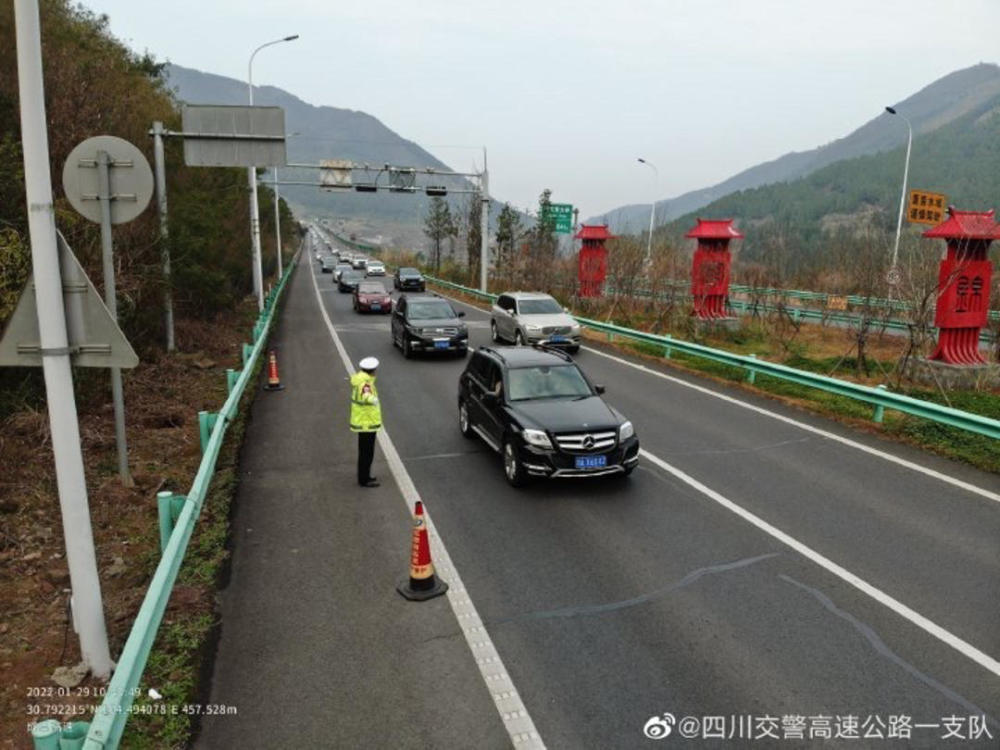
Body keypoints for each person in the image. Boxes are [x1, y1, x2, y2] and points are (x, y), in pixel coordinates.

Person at [350, 356, 382, 487]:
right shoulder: (365, 383)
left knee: (365, 451)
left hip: (364, 421)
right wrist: (372, 399)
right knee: (366, 453)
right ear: (372, 370)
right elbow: (366, 394)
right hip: (366, 423)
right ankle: (364, 479)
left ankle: (365, 475)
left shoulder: (362, 380)